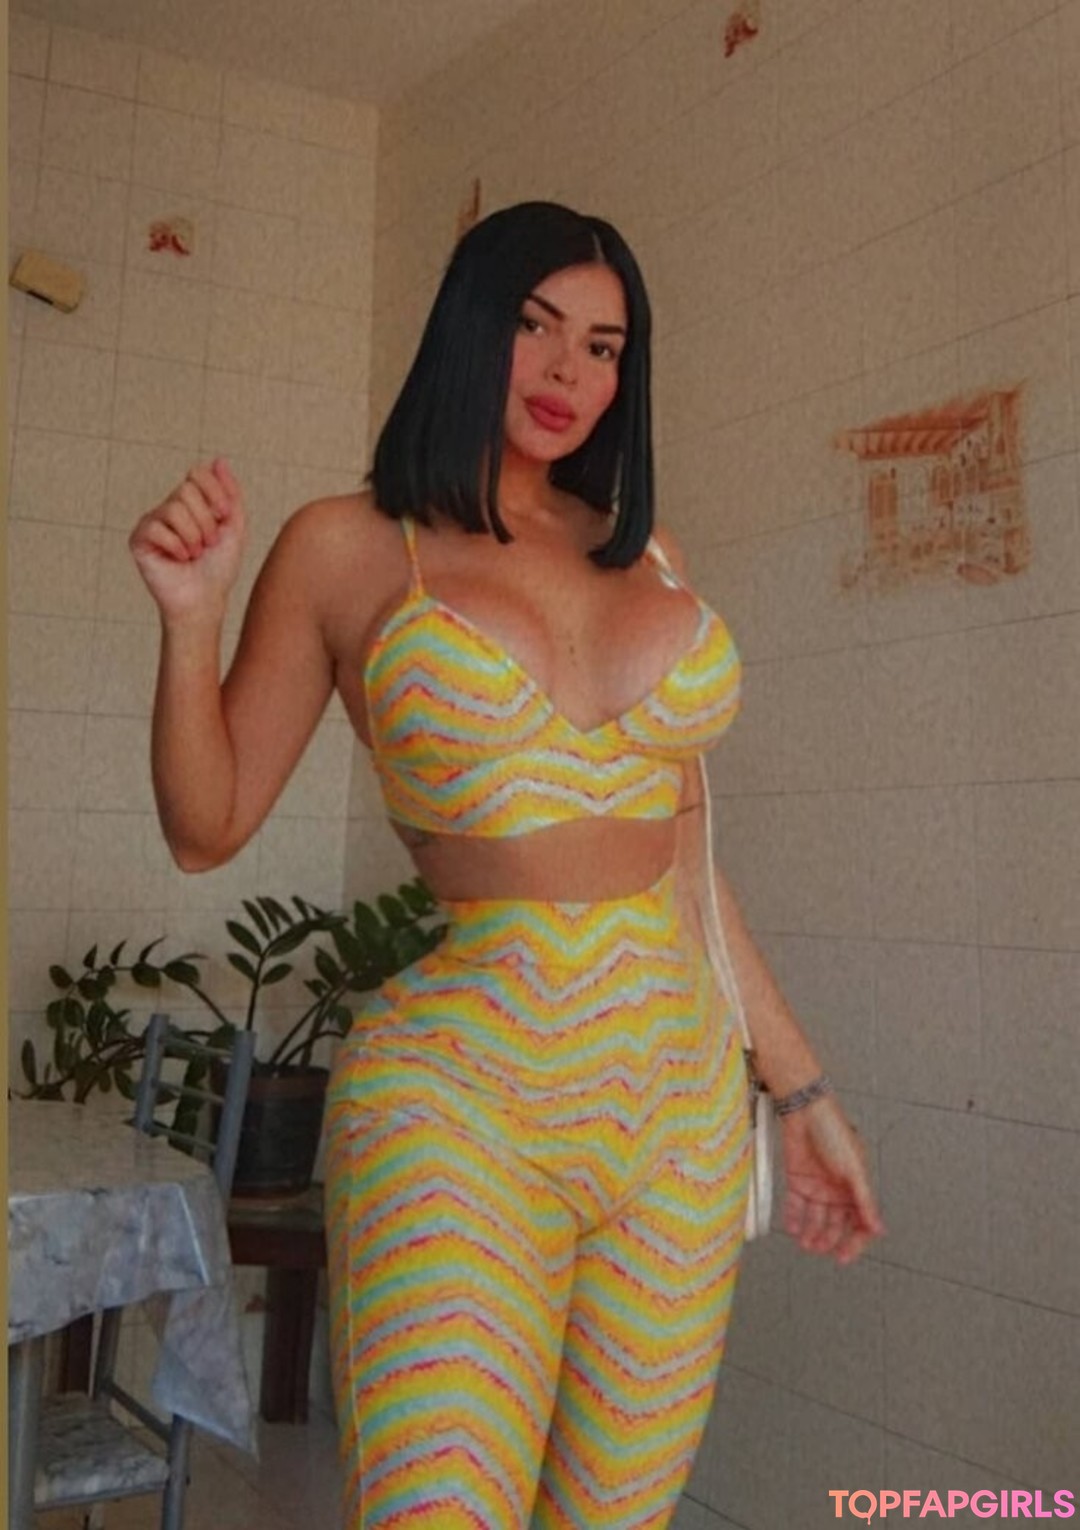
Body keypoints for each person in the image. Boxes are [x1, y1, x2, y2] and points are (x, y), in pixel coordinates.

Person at [131, 201, 884, 1530]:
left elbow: (687, 862)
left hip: (678, 1117)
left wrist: (801, 1086)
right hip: (462, 1103)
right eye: (535, 326)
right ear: (471, 324)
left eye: (602, 346)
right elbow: (208, 822)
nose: (564, 371)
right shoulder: (346, 543)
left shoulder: (643, 551)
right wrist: (191, 620)